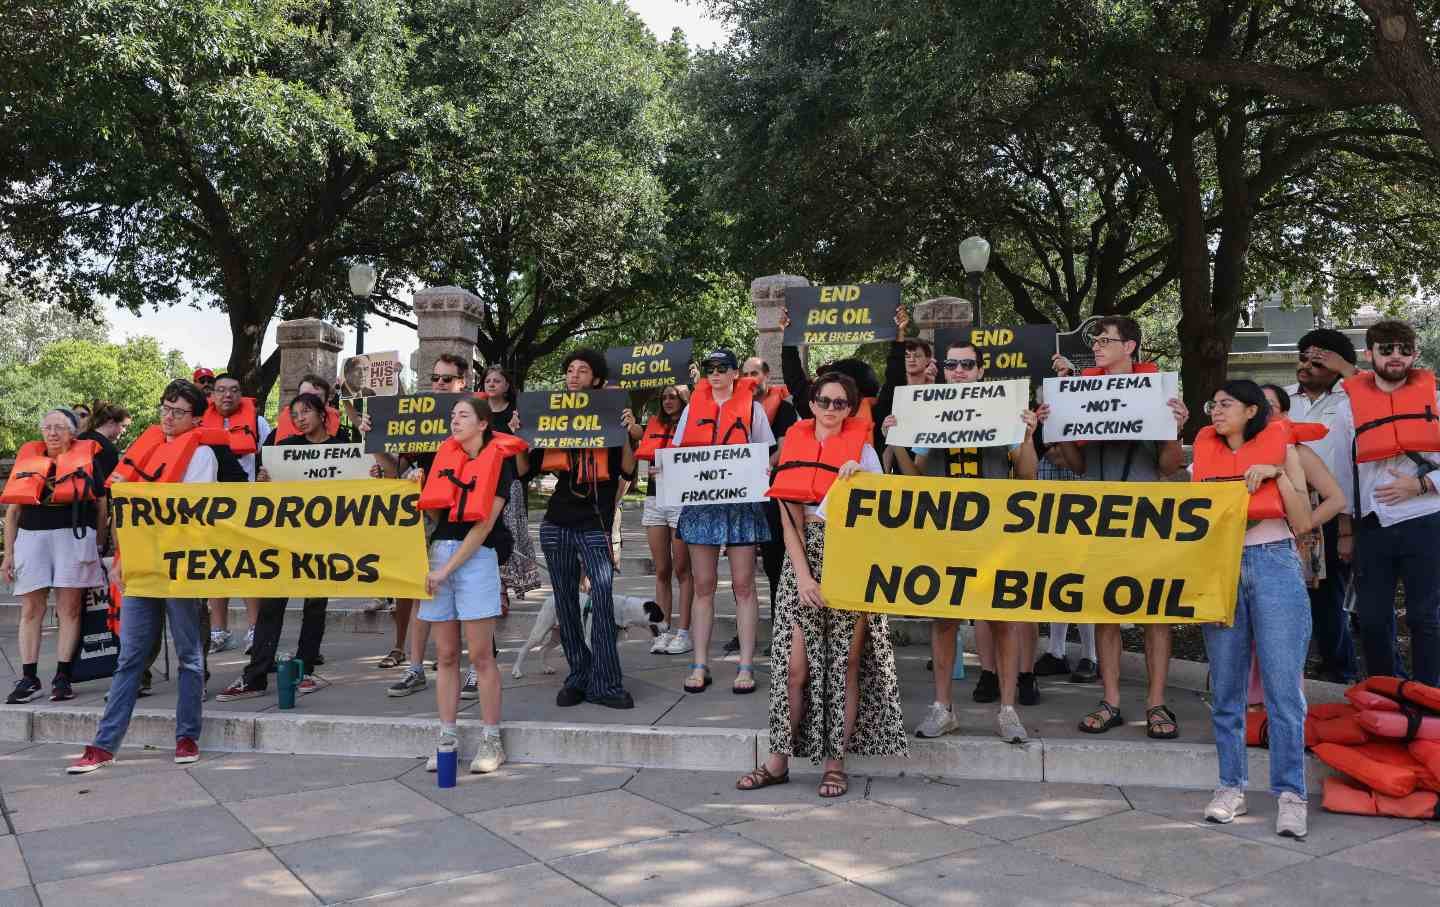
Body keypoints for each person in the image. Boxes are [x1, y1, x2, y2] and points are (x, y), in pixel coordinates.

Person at [738, 372, 907, 797]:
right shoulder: (793, 443)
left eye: (840, 403)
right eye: (824, 401)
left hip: (850, 554)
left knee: (845, 664)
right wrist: (804, 576)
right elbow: (787, 517)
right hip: (803, 557)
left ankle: (836, 763)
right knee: (794, 669)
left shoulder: (864, 453)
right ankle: (777, 761)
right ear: (811, 404)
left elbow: (883, 514)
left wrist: (861, 480)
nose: (831, 409)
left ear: (851, 409)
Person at [67, 381, 218, 773]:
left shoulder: (202, 455)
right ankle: (104, 744)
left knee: (188, 655)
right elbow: (123, 508)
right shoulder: (144, 449)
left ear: (197, 418)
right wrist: (119, 555)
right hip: (140, 565)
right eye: (165, 407)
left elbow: (191, 511)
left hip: (179, 568)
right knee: (131, 657)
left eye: (179, 411)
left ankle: (187, 735)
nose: (168, 416)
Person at [1051, 316, 1188, 739]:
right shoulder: (1082, 393)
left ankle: (1156, 703)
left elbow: (1169, 468)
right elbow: (1076, 466)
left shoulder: (1157, 392)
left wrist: (1174, 431)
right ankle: (1110, 700)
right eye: (1095, 340)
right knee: (1104, 611)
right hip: (1099, 515)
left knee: (1154, 612)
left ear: (1131, 347)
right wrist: (1059, 434)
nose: (1096, 346)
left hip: (1147, 515)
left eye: (1105, 340)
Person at [1193, 380, 1314, 838]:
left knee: (1284, 689)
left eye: (1225, 404)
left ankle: (1290, 794)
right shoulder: (1203, 453)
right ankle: (1230, 787)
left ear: (1251, 411)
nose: (1216, 411)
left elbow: (1303, 524)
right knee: (1226, 685)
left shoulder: (1285, 452)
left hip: (1274, 563)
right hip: (1219, 567)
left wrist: (1276, 473)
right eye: (1213, 403)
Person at [910, 339, 1041, 743]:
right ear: (943, 369)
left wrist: (1027, 436)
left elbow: (1028, 476)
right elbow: (914, 472)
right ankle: (943, 707)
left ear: (981, 370)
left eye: (967, 364)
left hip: (993, 531)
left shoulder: (1003, 409)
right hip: (943, 529)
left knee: (1001, 618)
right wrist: (897, 438)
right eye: (952, 364)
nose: (959, 370)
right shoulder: (926, 409)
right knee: (944, 618)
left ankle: (1007, 710)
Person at [417, 396, 527, 773]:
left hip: (475, 559)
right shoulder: (441, 457)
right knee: (446, 655)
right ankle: (446, 735)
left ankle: (491, 739)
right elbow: (436, 513)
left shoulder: (500, 460)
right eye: (452, 416)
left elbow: (483, 526)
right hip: (440, 553)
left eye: (463, 415)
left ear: (483, 423)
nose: (454, 421)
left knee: (481, 656)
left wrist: (446, 570)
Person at [1329, 319, 1440, 684]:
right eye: (1387, 349)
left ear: (1415, 354)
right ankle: (1386, 692)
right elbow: (1343, 471)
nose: (1396, 356)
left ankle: (1430, 700)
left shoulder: (1435, 400)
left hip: (1426, 519)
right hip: (1372, 523)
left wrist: (1422, 484)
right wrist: (1346, 529)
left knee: (1426, 616)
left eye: (1404, 349)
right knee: (1373, 619)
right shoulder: (1347, 408)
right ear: (1369, 354)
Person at [215, 393, 344, 701]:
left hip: (322, 540)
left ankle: (306, 668)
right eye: (295, 413)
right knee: (271, 606)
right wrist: (263, 480)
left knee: (316, 606)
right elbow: (269, 494)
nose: (300, 418)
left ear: (322, 415)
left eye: (306, 412)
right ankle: (255, 674)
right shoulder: (284, 449)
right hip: (285, 539)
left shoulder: (342, 450)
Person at [530, 348, 638, 709]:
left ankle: (606, 682)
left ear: (596, 379)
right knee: (565, 601)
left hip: (594, 524)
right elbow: (523, 468)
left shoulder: (610, 414)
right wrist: (519, 431)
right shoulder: (552, 415)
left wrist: (625, 433)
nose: (574, 375)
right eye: (569, 370)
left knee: (603, 601)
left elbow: (627, 472)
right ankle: (578, 675)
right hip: (556, 523)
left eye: (582, 370)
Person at [382, 354, 487, 700]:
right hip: (429, 519)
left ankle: (476, 667)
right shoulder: (417, 418)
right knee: (421, 589)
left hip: (467, 521)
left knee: (476, 595)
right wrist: (374, 441)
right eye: (435, 378)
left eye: (447, 379)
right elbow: (394, 464)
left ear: (463, 381)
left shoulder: (474, 419)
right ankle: (415, 668)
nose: (439, 384)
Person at [672, 348, 776, 696]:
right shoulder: (691, 409)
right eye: (709, 368)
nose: (715, 373)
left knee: (744, 585)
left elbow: (767, 452)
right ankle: (700, 664)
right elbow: (677, 454)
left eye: (723, 368)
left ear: (735, 373)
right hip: (702, 504)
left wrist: (764, 470)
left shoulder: (754, 408)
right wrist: (663, 470)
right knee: (703, 585)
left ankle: (746, 664)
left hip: (741, 504)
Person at [3, 408, 111, 704]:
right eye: (48, 427)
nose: (52, 433)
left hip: (74, 538)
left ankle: (63, 675)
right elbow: (13, 512)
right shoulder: (29, 460)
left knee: (70, 608)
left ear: (73, 433)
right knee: (30, 609)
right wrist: (8, 554)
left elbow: (101, 505)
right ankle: (29, 677)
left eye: (59, 428)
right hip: (31, 538)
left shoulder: (88, 460)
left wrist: (99, 544)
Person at [1281, 328, 1361, 683]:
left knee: (1328, 596)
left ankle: (1338, 670)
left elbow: (1381, 395)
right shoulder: (1281, 401)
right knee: (1287, 590)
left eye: (1318, 361)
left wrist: (1346, 529)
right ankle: (1289, 667)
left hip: (1332, 510)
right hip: (1283, 508)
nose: (1307, 366)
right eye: (1303, 357)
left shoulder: (1353, 401)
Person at [623, 384, 695, 656]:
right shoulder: (654, 424)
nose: (667, 401)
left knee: (682, 570)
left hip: (681, 501)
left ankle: (684, 632)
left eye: (673, 396)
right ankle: (663, 631)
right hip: (655, 500)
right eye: (664, 397)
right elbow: (639, 440)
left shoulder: (693, 423)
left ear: (683, 399)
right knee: (662, 570)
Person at [202, 373, 270, 656]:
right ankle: (218, 632)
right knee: (216, 568)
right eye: (221, 390)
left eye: (234, 390)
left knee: (247, 568)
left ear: (241, 394)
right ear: (212, 394)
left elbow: (271, 453)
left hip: (246, 503)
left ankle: (255, 630)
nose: (227, 395)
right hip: (211, 506)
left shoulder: (258, 422)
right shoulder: (199, 422)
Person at [742, 356, 799, 655]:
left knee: (776, 566)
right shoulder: (735, 409)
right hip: (742, 498)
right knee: (743, 570)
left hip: (772, 498)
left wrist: (755, 469)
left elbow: (785, 447)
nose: (750, 378)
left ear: (766, 376)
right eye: (745, 374)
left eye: (755, 373)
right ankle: (744, 634)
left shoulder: (785, 410)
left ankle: (782, 633)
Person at [1032, 438, 1098, 684]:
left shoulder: (1079, 415)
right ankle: (1056, 651)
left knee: (1080, 581)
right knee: (1056, 580)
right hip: (1049, 509)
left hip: (1082, 508)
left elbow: (1063, 456)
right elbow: (1052, 454)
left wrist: (1061, 450)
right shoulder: (1044, 414)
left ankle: (1091, 655)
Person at [482, 366, 542, 610]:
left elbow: (526, 457)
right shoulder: (477, 412)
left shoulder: (517, 413)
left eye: (498, 380)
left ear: (507, 386)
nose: (492, 384)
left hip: (510, 482)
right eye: (488, 380)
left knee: (508, 535)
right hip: (482, 482)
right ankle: (490, 587)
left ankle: (503, 590)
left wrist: (518, 433)